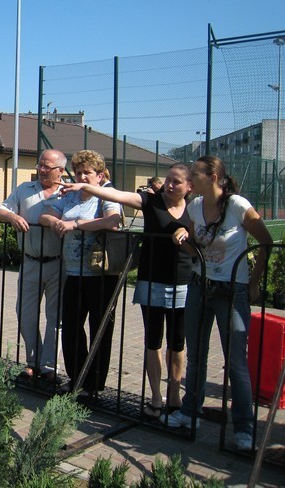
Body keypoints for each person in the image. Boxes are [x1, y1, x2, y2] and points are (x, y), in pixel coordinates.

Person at [59, 163, 192, 417]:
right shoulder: (150, 201)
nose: (170, 185)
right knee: (153, 340)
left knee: (177, 342)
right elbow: (117, 195)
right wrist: (86, 186)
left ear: (189, 187)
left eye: (176, 182)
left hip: (183, 281)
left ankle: (174, 397)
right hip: (152, 279)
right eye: (168, 180)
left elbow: (201, 235)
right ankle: (155, 398)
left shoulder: (193, 209)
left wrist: (186, 231)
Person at [167, 155, 272, 451]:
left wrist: (253, 284)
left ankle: (244, 427)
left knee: (236, 362)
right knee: (196, 355)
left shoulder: (237, 205)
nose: (190, 179)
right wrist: (181, 234)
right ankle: (190, 414)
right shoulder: (196, 206)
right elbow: (190, 241)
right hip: (200, 287)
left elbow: (265, 242)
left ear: (213, 177)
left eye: (195, 175)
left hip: (232, 291)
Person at [39, 149, 121, 396]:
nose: (82, 177)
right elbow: (46, 215)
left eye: (88, 172)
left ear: (99, 174)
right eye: (79, 172)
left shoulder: (107, 195)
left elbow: (112, 221)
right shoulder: (70, 196)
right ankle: (76, 378)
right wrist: (55, 222)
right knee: (72, 328)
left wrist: (75, 224)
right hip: (73, 272)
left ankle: (94, 384)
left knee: (100, 330)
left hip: (101, 275)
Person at [0, 149, 67, 381]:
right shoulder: (25, 189)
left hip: (59, 264)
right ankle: (32, 362)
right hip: (30, 261)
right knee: (25, 314)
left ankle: (48, 367)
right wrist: (13, 217)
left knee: (56, 318)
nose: (42, 170)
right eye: (40, 165)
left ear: (61, 171)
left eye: (48, 167)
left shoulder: (69, 193)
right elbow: (0, 210)